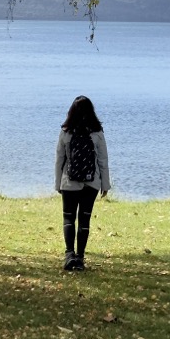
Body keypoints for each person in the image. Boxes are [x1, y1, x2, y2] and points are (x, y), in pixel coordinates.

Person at [54, 95, 110, 271]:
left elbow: (59, 160)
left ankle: (69, 255)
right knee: (84, 220)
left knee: (69, 218)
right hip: (91, 183)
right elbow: (103, 160)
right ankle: (80, 258)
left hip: (69, 182)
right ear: (91, 111)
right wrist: (105, 185)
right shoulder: (97, 132)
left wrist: (58, 184)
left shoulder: (65, 132)